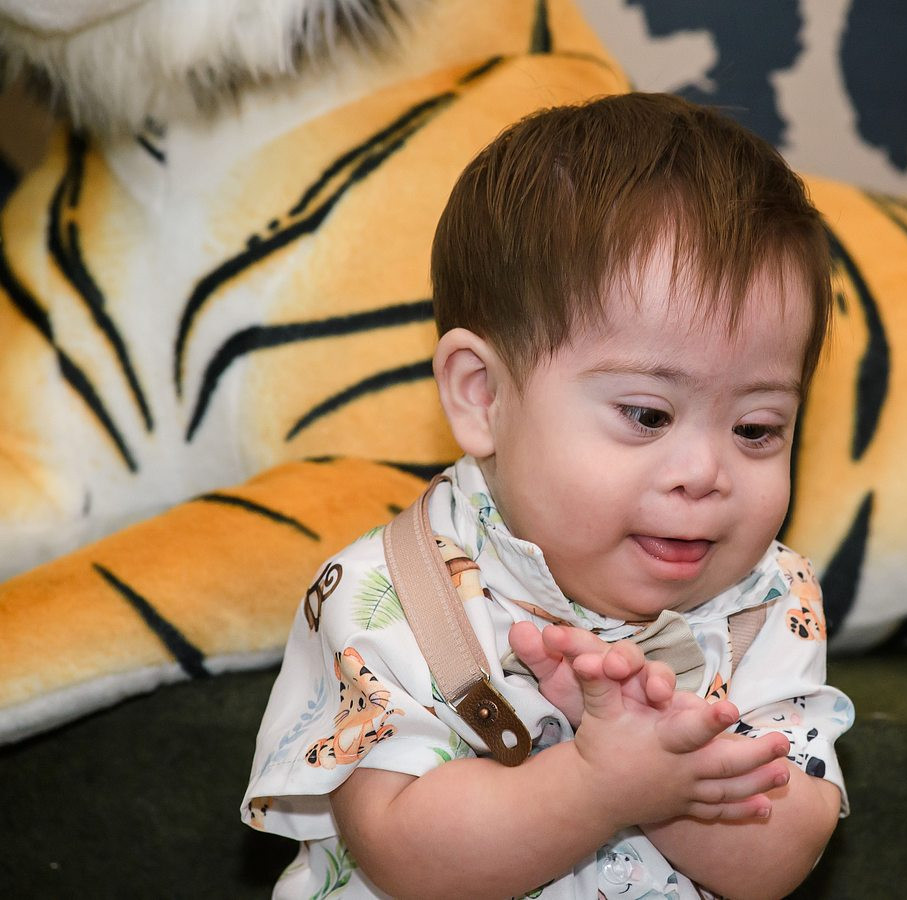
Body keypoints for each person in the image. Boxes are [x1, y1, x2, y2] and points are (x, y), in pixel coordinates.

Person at [242, 92, 854, 899]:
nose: (706, 472)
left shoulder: (764, 602)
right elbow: (398, 850)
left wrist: (663, 769)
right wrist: (599, 783)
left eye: (756, 428)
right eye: (648, 415)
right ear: (483, 395)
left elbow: (780, 857)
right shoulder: (393, 593)